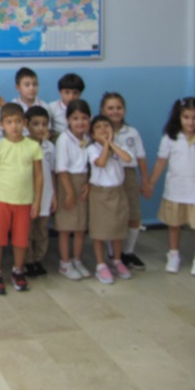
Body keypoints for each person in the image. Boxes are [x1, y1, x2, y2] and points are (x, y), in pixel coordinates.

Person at [146, 97, 195, 276]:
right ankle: (173, 255)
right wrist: (151, 183)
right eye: (186, 117)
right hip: (175, 190)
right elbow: (161, 162)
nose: (190, 122)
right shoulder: (170, 138)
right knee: (174, 225)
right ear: (178, 117)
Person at [0, 103, 43, 295]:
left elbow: (38, 176)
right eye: (9, 122)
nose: (14, 126)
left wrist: (37, 201)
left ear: (25, 123)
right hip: (0, 200)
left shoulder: (33, 146)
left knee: (21, 239)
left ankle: (18, 270)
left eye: (18, 121)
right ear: (2, 124)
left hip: (24, 201)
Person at [100, 92, 150, 269]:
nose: (115, 111)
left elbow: (141, 157)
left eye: (119, 108)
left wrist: (145, 181)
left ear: (124, 110)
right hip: (108, 176)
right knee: (112, 216)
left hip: (128, 175)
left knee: (133, 215)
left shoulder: (132, 132)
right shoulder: (99, 132)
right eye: (110, 108)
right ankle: (112, 253)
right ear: (102, 110)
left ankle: (128, 252)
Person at [86, 115, 133, 284]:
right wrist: (106, 144)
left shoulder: (118, 146)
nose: (103, 129)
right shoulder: (92, 149)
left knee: (117, 229)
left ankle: (117, 260)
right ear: (92, 134)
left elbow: (127, 158)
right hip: (100, 193)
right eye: (98, 127)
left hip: (118, 191)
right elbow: (101, 162)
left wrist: (112, 143)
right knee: (99, 230)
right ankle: (101, 265)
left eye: (106, 126)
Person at [55, 99, 92, 281]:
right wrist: (69, 192)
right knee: (66, 227)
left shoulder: (88, 139)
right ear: (68, 119)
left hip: (84, 182)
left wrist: (89, 183)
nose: (80, 122)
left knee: (80, 227)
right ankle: (65, 263)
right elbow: (61, 169)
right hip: (67, 183)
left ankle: (77, 259)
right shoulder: (64, 139)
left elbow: (92, 164)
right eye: (75, 118)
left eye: (84, 118)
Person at [25, 106, 56, 277]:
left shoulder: (50, 147)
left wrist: (54, 195)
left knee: (42, 231)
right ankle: (28, 261)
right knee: (27, 231)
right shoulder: (23, 145)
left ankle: (38, 259)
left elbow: (52, 172)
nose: (40, 128)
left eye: (44, 124)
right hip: (28, 196)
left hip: (46, 195)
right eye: (36, 124)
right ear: (27, 125)